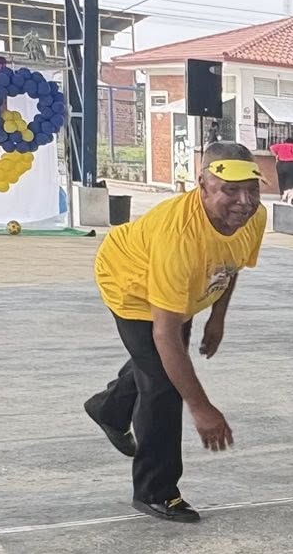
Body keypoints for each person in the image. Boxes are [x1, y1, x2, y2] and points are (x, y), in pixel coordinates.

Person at [83, 142, 266, 523]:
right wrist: (202, 408)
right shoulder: (178, 237)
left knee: (157, 364)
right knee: (164, 384)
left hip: (184, 289)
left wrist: (217, 318)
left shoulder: (253, 217)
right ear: (202, 185)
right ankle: (155, 490)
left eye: (252, 189)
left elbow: (230, 264)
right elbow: (164, 335)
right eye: (230, 190)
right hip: (130, 284)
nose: (244, 202)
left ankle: (109, 408)